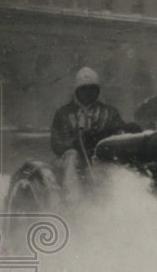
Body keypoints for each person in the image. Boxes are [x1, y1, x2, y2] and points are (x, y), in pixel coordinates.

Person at [50, 67, 126, 200]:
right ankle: (73, 201)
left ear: (98, 90)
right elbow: (56, 141)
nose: (88, 93)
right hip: (72, 161)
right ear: (76, 90)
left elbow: (119, 134)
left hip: (99, 156)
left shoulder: (109, 112)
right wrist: (74, 144)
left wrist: (101, 140)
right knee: (72, 158)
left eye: (92, 89)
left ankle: (116, 199)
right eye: (84, 89)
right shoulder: (64, 113)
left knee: (113, 164)